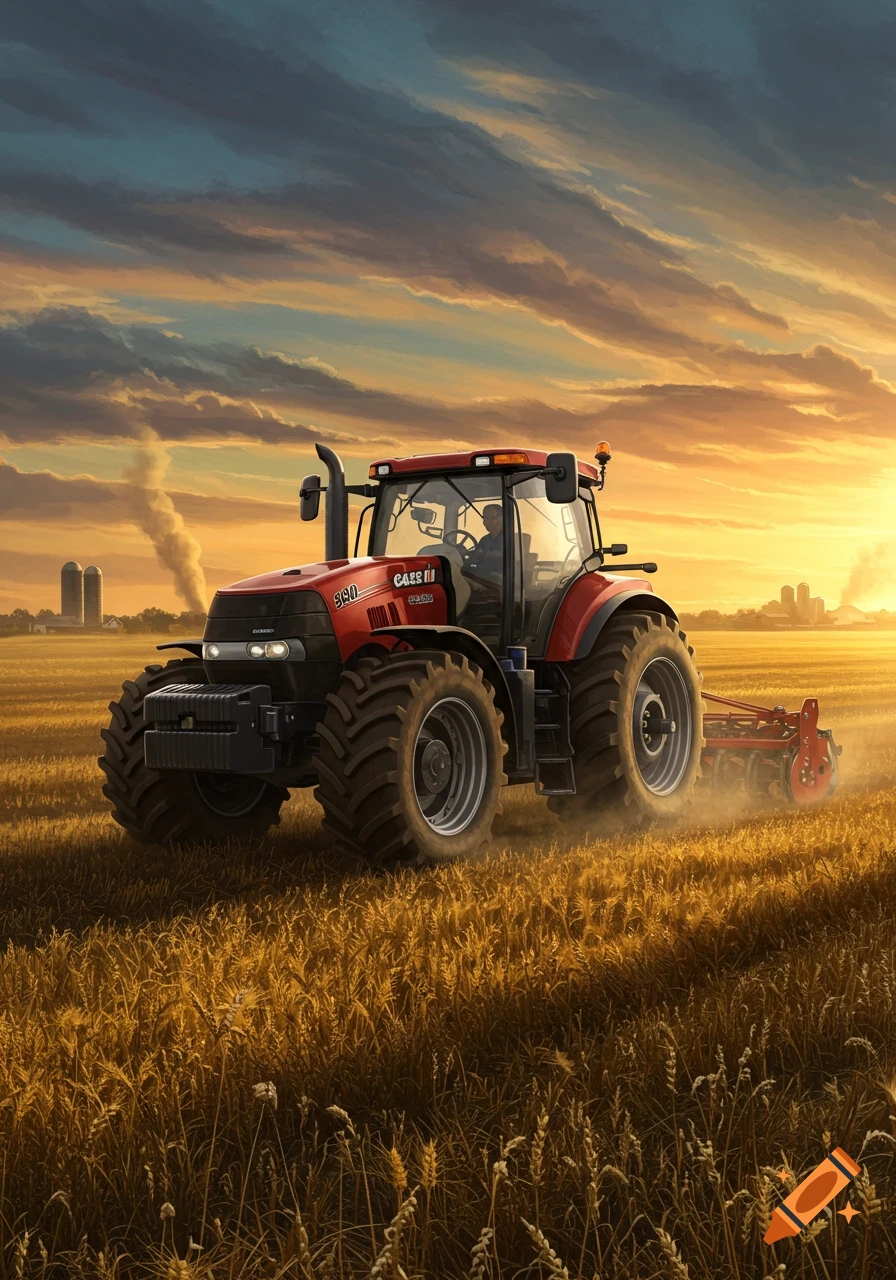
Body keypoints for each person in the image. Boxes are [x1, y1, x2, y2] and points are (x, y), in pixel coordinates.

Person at [467, 504, 504, 581]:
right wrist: (467, 553)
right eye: (484, 518)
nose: (485, 523)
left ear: (500, 519)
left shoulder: (510, 540)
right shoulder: (484, 540)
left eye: (490, 518)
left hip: (501, 580)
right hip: (484, 579)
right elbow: (477, 558)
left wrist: (487, 554)